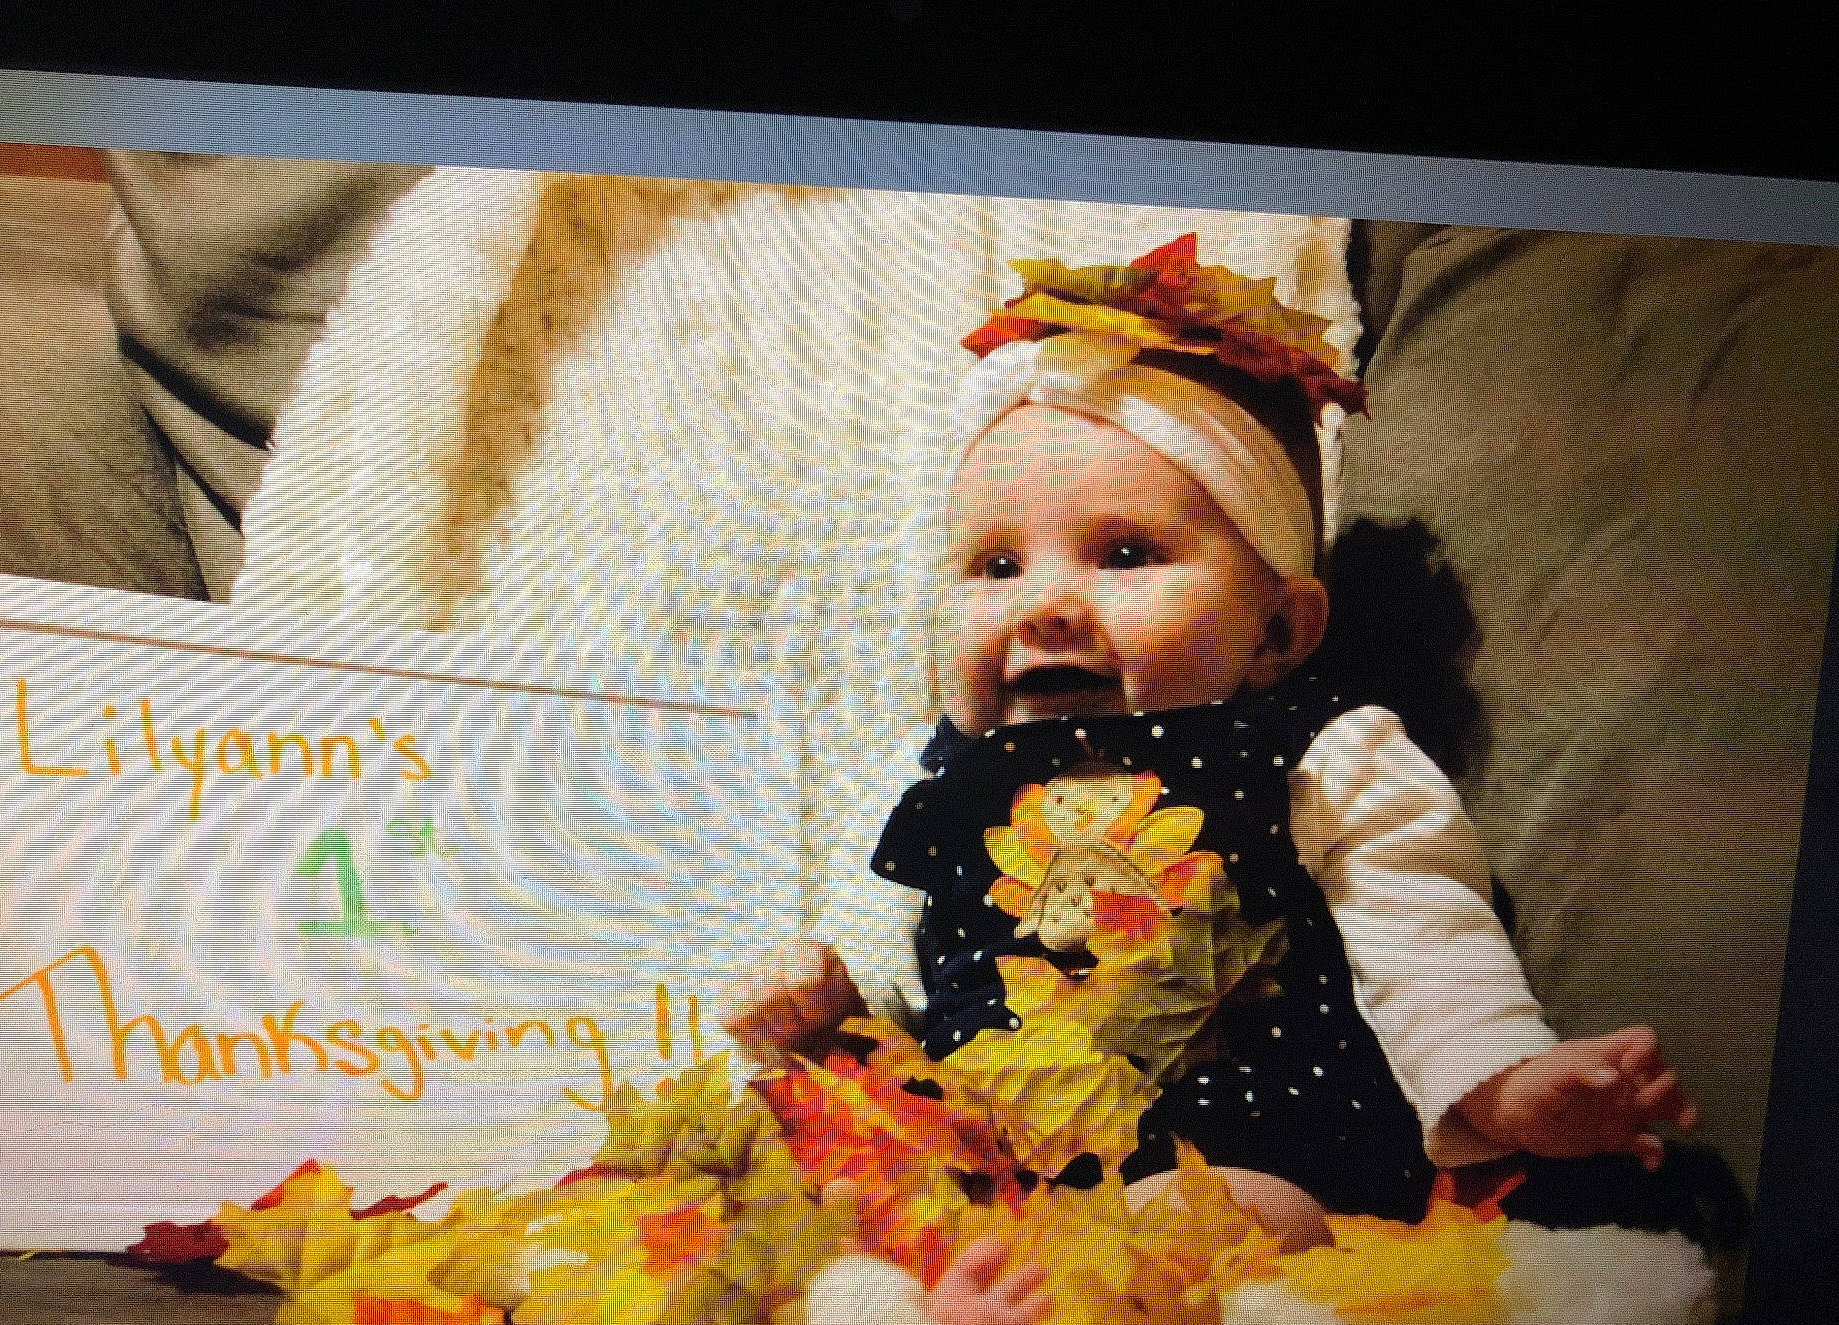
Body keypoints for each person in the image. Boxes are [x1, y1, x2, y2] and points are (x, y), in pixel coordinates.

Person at [726, 236, 1697, 1246]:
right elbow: (891, 929)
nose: (1044, 606)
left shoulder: (1317, 753)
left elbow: (1420, 932)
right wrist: (828, 993)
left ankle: (1061, 1294)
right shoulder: (940, 773)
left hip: (1239, 1151)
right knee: (804, 1187)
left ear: (1276, 632)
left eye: (1125, 554)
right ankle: (951, 1292)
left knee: (1220, 1217)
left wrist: (1500, 1082)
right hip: (991, 1160)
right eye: (995, 565)